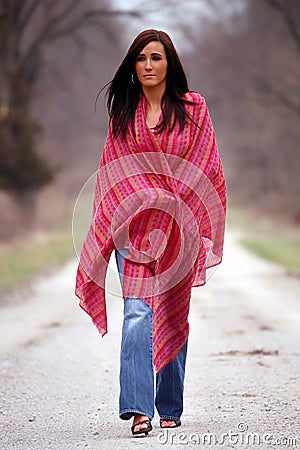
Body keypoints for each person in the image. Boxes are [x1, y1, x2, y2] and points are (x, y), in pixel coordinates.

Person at [75, 29, 226, 437]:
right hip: (133, 230)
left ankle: (170, 404)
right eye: (141, 59)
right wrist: (109, 224)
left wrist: (190, 214)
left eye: (156, 58)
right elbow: (112, 173)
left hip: (178, 230)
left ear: (169, 62)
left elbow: (206, 167)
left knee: (173, 313)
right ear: (132, 66)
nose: (148, 66)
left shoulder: (194, 109)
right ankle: (139, 408)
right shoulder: (124, 113)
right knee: (138, 314)